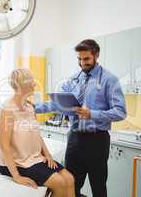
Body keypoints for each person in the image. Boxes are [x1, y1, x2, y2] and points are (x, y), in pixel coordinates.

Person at [35, 39, 127, 197]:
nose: (82, 63)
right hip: (75, 139)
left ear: (96, 55)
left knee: (98, 186)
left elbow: (120, 112)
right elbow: (57, 104)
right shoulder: (73, 79)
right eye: (79, 59)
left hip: (97, 140)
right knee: (71, 184)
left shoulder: (109, 80)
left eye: (86, 59)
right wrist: (34, 108)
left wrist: (91, 113)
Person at [0, 68, 75, 197]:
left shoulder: (29, 107)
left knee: (69, 179)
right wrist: (16, 176)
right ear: (23, 85)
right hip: (16, 162)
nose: (34, 84)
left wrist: (47, 154)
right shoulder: (7, 109)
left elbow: (36, 135)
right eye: (31, 81)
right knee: (59, 182)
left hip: (34, 158)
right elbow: (4, 146)